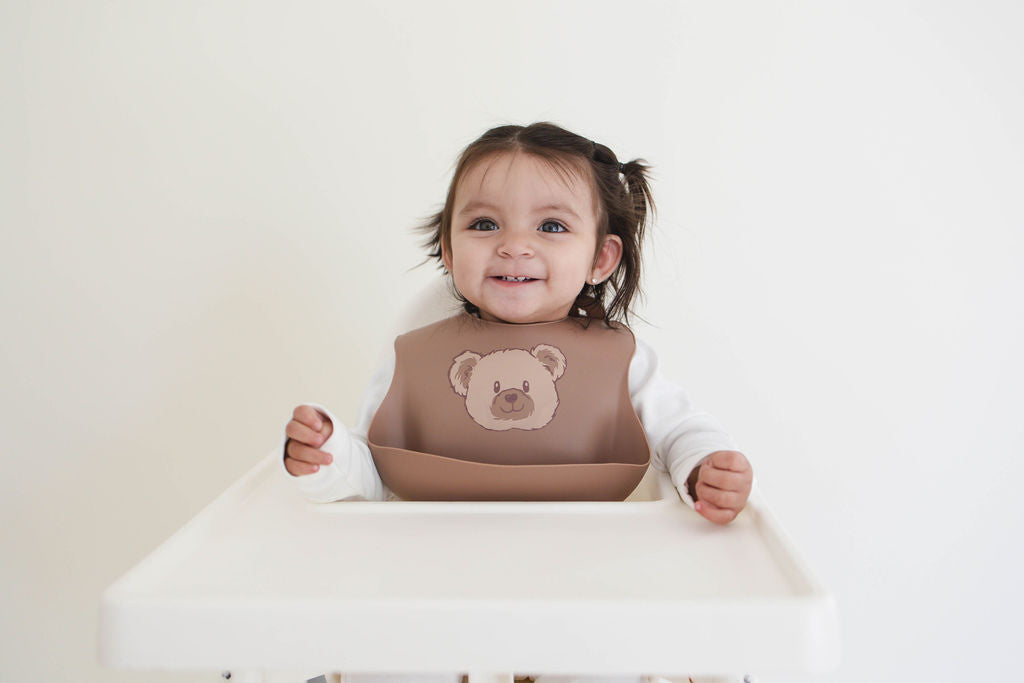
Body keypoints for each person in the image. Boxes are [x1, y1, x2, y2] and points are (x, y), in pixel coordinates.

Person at [280, 122, 755, 683]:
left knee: (621, 658)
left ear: (601, 259)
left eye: (551, 225)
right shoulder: (418, 352)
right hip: (436, 576)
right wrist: (328, 456)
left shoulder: (620, 359)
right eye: (484, 224)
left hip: (583, 578)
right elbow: (375, 468)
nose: (514, 244)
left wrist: (704, 466)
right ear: (449, 248)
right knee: (387, 659)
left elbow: (679, 428)